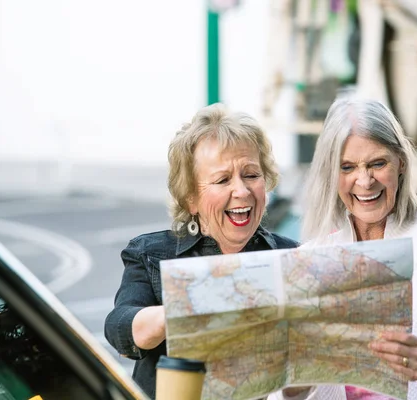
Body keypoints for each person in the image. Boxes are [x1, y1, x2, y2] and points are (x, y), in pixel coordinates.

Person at [269, 94, 417, 400]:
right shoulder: (311, 257)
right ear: (331, 173)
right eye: (347, 167)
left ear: (401, 162)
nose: (364, 181)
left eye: (377, 163)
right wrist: (291, 384)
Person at [104, 103, 298, 399]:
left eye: (251, 175)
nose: (242, 191)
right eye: (222, 180)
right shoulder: (151, 254)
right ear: (191, 198)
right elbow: (121, 329)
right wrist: (189, 308)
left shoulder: (291, 257)